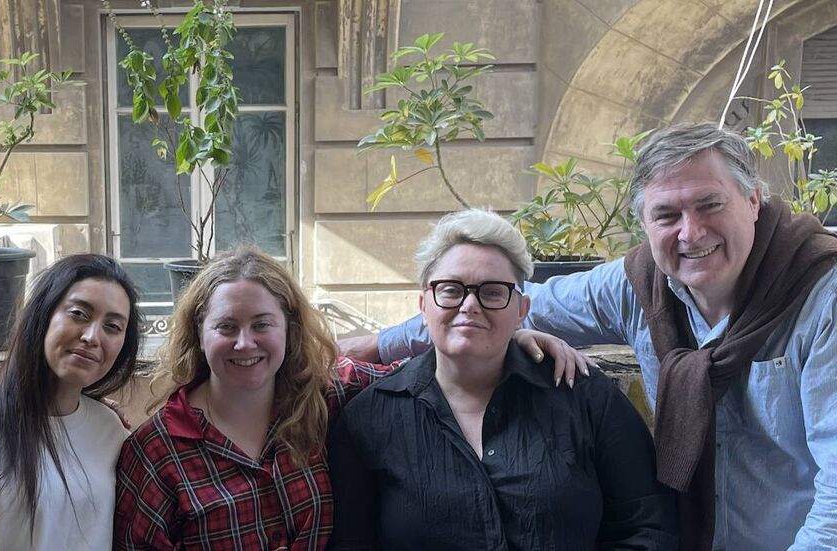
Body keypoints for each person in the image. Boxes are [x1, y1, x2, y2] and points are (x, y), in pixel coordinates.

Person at [342, 123, 837, 550]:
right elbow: (495, 304)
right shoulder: (637, 288)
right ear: (643, 223)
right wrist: (378, 345)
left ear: (752, 200)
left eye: (710, 205)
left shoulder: (821, 297)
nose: (691, 232)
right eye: (667, 215)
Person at [111, 247, 590, 550]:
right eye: (226, 326)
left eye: (262, 324)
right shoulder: (156, 452)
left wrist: (511, 342)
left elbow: (435, 374)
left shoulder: (330, 395)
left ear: (289, 330)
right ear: (198, 333)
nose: (245, 343)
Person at [326, 210, 676, 550]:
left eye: (492, 292)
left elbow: (647, 525)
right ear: (423, 304)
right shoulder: (371, 418)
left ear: (522, 310)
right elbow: (351, 541)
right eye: (451, 289)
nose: (469, 305)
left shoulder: (583, 395)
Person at [0, 254, 141, 550]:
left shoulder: (110, 430)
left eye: (113, 326)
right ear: (44, 315)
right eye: (79, 314)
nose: (92, 336)